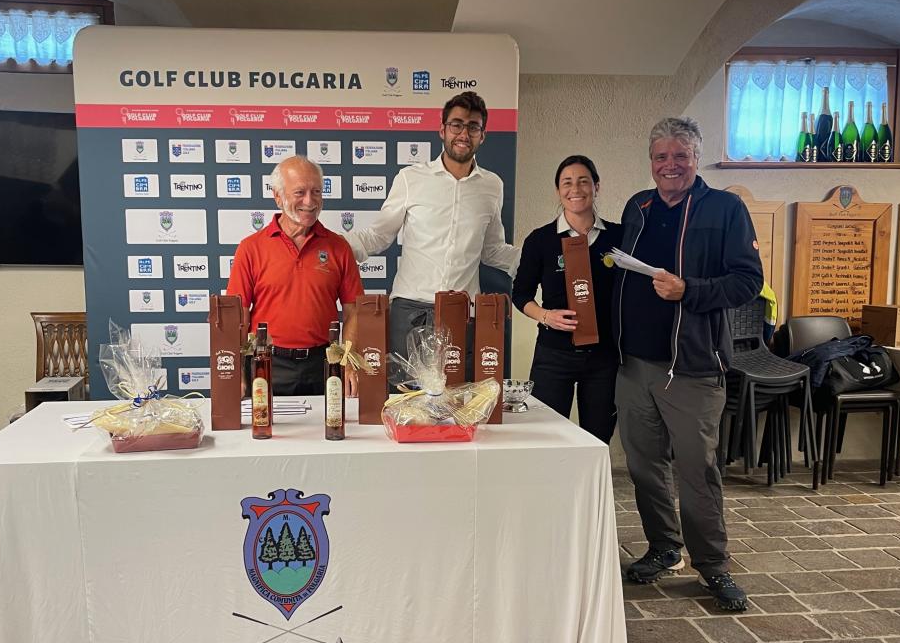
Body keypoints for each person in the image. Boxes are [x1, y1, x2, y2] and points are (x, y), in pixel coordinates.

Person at [613, 117, 763, 611]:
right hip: (634, 365)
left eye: (680, 155)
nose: (670, 165)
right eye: (661, 156)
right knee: (644, 466)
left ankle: (713, 565)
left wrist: (689, 290)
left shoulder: (725, 208)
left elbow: (748, 281)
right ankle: (664, 547)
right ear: (651, 161)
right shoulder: (637, 206)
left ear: (697, 158)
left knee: (698, 470)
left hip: (693, 367)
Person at [345, 91, 519, 361]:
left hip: (462, 310)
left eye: (473, 127)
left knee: (460, 388)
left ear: (482, 136)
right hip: (410, 309)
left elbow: (492, 250)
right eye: (456, 125)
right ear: (442, 130)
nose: (464, 134)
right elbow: (378, 236)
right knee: (406, 388)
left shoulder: (492, 185)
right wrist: (331, 245)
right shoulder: (410, 178)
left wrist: (536, 257)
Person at [226, 155, 363, 396]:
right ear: (277, 196)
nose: (309, 201)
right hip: (266, 363)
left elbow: (354, 310)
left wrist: (349, 360)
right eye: (300, 192)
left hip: (325, 363)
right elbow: (238, 315)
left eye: (316, 191)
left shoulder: (339, 247)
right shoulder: (250, 248)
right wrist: (235, 372)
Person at [512, 155, 622, 443]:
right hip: (554, 355)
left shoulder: (619, 237)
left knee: (597, 439)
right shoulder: (540, 240)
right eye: (567, 183)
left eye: (584, 181)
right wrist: (546, 316)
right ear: (558, 190)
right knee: (547, 437)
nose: (576, 189)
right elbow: (520, 293)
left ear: (597, 187)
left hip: (604, 357)